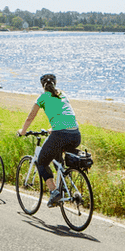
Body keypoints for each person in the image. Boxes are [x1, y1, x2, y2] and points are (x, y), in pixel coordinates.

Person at [17, 73, 81, 205]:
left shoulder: (42, 97)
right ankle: (65, 185)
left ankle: (54, 191)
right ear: (55, 83)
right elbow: (65, 114)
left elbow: (30, 117)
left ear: (42, 86)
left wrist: (22, 131)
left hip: (61, 135)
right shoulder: (62, 94)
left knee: (42, 162)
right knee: (57, 157)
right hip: (75, 134)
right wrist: (53, 128)